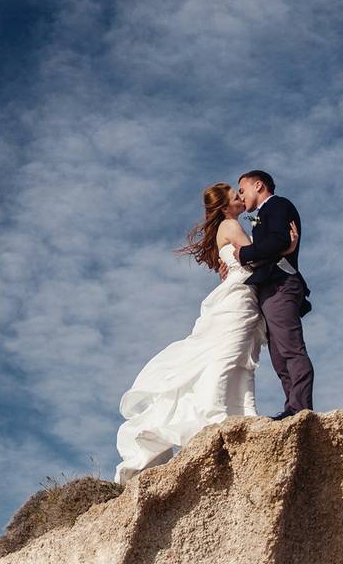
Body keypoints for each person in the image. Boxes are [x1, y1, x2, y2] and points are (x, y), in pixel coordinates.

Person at [114, 183, 298, 486]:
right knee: (229, 357)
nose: (241, 198)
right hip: (238, 299)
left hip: (242, 295)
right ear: (226, 208)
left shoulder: (229, 226)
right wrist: (287, 247)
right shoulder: (229, 224)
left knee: (239, 358)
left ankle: (236, 414)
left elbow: (244, 257)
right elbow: (253, 258)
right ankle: (218, 417)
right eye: (235, 196)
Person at [226, 170, 314, 421]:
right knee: (278, 354)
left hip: (281, 284)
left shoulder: (277, 205)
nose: (240, 196)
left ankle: (300, 408)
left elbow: (278, 239)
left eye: (241, 190)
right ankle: (292, 406)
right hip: (270, 286)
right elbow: (275, 246)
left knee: (290, 348)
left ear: (258, 185)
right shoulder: (261, 215)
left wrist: (244, 254)